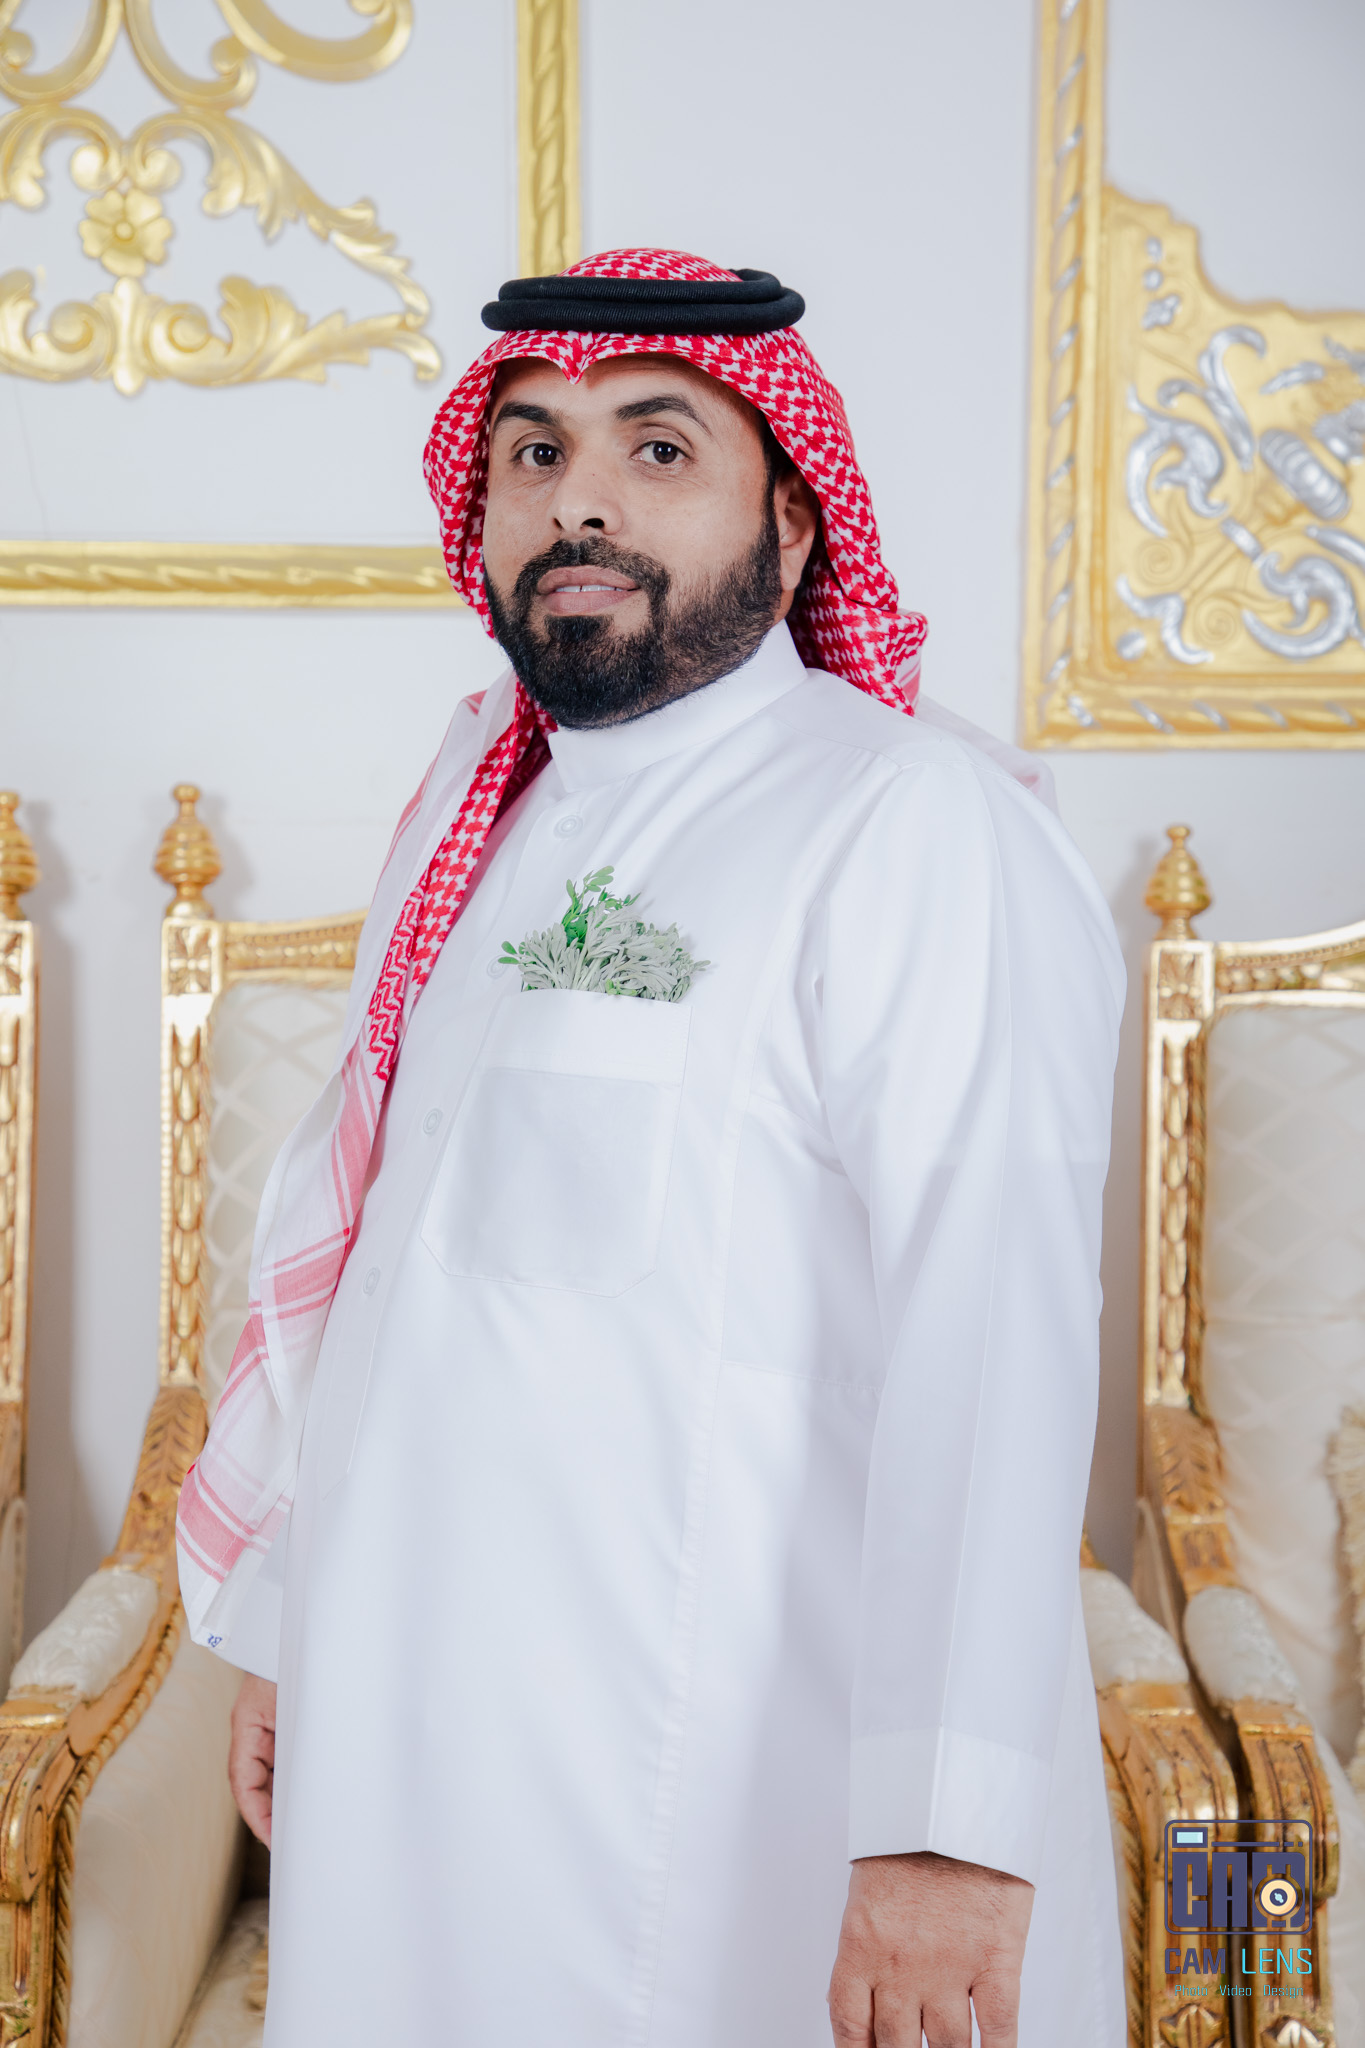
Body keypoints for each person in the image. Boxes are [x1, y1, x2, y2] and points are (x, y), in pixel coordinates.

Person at [177, 250, 1126, 2047]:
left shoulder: (909, 823)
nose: (579, 500)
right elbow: (394, 1281)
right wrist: (297, 1626)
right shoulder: (483, 810)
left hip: (726, 1805)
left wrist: (945, 1832)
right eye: (532, 452)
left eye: (657, 447)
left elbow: (991, 1339)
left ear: (792, 521)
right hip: (419, 1763)